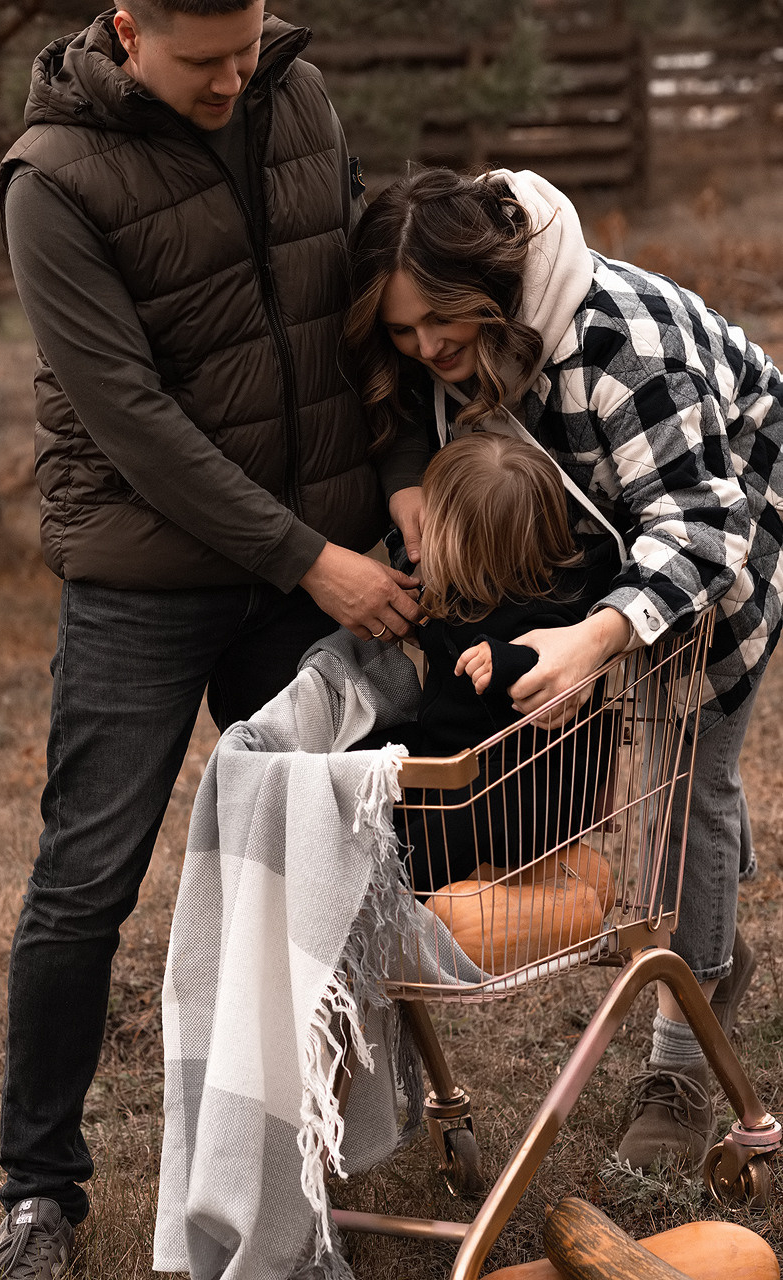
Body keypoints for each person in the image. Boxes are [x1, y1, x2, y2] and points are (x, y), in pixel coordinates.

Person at [0, 3, 423, 1277]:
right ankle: (40, 1191)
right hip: (149, 572)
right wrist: (311, 559)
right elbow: (130, 416)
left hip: (317, 552)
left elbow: (356, 313)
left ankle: (314, 1155)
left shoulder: (295, 92)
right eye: (203, 61)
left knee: (328, 849)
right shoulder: (50, 181)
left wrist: (398, 477)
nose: (236, 76)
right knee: (86, 878)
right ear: (129, 30)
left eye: (248, 43)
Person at [346, 164, 782, 1173]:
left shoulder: (623, 346)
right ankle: (710, 929)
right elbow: (401, 414)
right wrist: (410, 494)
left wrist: (596, 637)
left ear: (488, 281)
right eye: (404, 332)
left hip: (718, 526)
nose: (426, 351)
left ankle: (680, 1061)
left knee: (688, 774)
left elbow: (699, 527)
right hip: (580, 541)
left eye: (439, 322)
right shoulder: (444, 339)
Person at [355, 431, 619, 896]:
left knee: (442, 834)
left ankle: (405, 894)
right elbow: (440, 631)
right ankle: (360, 854)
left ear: (463, 543)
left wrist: (505, 660)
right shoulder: (458, 592)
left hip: (521, 790)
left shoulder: (545, 606)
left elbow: (549, 660)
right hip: (452, 754)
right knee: (368, 755)